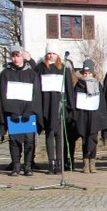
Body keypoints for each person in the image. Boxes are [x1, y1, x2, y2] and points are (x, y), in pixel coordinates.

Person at [0, 45, 42, 177]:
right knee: (14, 141)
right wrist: (11, 111)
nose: (16, 59)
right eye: (13, 56)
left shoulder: (31, 73)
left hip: (28, 114)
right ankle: (16, 165)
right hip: (13, 113)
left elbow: (36, 94)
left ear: (22, 56)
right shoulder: (6, 73)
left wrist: (30, 111)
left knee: (29, 141)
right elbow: (3, 94)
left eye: (18, 56)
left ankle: (28, 166)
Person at [65, 59, 107, 173]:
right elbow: (75, 100)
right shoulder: (79, 85)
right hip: (82, 116)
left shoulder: (98, 85)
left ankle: (92, 161)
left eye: (89, 73)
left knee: (93, 138)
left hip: (94, 116)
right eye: (85, 73)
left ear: (93, 73)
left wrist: (102, 116)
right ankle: (85, 161)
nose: (87, 76)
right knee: (84, 139)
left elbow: (101, 102)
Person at [35, 43, 72, 174]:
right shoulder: (40, 68)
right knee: (49, 134)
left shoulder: (63, 69)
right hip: (46, 105)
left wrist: (70, 107)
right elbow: (37, 88)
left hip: (60, 105)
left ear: (58, 55)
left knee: (59, 135)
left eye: (54, 53)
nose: (51, 56)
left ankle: (60, 162)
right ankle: (51, 162)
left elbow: (69, 89)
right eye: (49, 53)